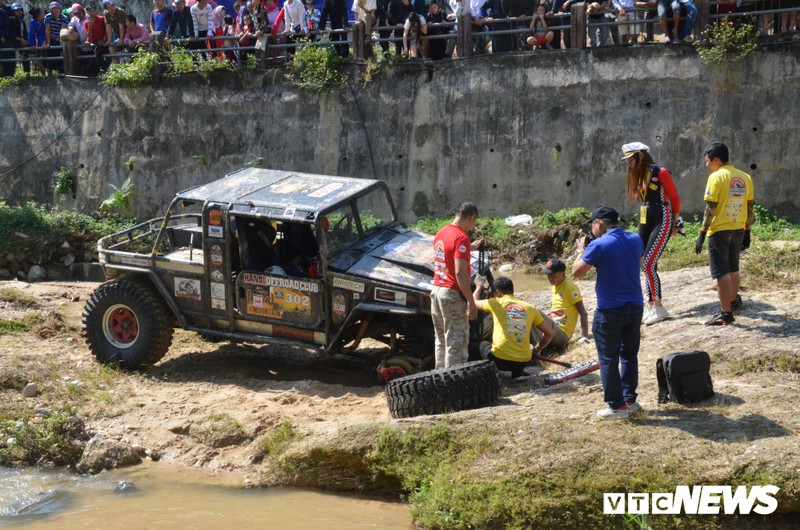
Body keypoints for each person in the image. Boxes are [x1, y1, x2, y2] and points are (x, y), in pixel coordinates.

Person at [573, 205, 644, 419]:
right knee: (629, 355)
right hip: (635, 305)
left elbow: (576, 273)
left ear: (598, 223)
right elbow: (638, 263)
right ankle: (629, 400)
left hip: (609, 309)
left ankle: (616, 406)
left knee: (608, 358)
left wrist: (581, 251)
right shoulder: (635, 239)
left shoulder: (599, 245)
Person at [695, 141, 755, 326]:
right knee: (733, 267)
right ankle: (733, 301)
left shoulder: (716, 177)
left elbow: (711, 207)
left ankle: (725, 313)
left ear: (717, 159)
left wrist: (702, 231)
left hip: (719, 230)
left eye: (708, 161)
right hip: (738, 228)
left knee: (721, 272)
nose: (706, 165)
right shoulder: (745, 177)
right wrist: (747, 230)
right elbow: (749, 207)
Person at [622, 141, 681, 326]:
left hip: (661, 216)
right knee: (643, 261)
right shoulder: (638, 175)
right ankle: (650, 305)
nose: (628, 163)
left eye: (630, 159)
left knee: (648, 263)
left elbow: (674, 197)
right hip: (645, 216)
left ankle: (660, 308)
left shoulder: (661, 172)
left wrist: (676, 222)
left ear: (640, 156)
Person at [470, 277, 555, 382]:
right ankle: (517, 374)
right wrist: (537, 350)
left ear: (498, 292)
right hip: (524, 361)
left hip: (499, 361)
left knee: (478, 345)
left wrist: (479, 286)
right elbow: (550, 333)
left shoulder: (496, 303)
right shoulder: (530, 307)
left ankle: (482, 375)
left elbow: (472, 302)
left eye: (493, 293)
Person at [431, 201, 482, 370]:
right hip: (452, 294)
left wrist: (469, 248)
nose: (472, 227)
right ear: (471, 217)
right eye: (473, 223)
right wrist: (471, 302)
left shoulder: (441, 232)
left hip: (437, 291)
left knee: (442, 341)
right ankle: (454, 386)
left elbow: (447, 255)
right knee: (456, 343)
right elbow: (460, 273)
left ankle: (438, 380)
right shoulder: (461, 237)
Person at [542, 258, 590, 347]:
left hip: (562, 333)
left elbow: (583, 312)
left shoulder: (570, 287)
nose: (550, 279)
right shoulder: (555, 287)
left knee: (535, 313)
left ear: (563, 274)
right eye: (548, 276)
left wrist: (584, 336)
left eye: (553, 276)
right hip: (553, 328)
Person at [44, 2, 69, 73]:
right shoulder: (47, 17)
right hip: (52, 38)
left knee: (64, 54)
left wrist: (60, 38)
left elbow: (63, 28)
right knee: (53, 55)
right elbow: (48, 30)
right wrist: (48, 42)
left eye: (57, 8)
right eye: (54, 8)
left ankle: (64, 71)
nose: (56, 10)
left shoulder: (64, 17)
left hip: (62, 38)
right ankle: (55, 72)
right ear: (51, 10)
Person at [7, 3, 29, 73]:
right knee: (11, 62)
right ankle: (11, 75)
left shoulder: (22, 21)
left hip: (22, 42)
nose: (19, 12)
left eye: (20, 10)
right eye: (16, 11)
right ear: (13, 12)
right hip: (14, 42)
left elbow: (25, 33)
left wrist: (26, 41)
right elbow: (9, 33)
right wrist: (20, 39)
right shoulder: (11, 20)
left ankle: (27, 73)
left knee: (30, 48)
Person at [28, 7, 48, 73]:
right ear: (38, 14)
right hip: (38, 45)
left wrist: (45, 41)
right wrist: (32, 44)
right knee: (40, 63)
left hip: (46, 43)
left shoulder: (46, 21)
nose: (45, 13)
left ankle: (50, 76)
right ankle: (43, 76)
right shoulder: (33, 22)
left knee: (49, 62)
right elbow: (31, 33)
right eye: (42, 12)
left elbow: (47, 32)